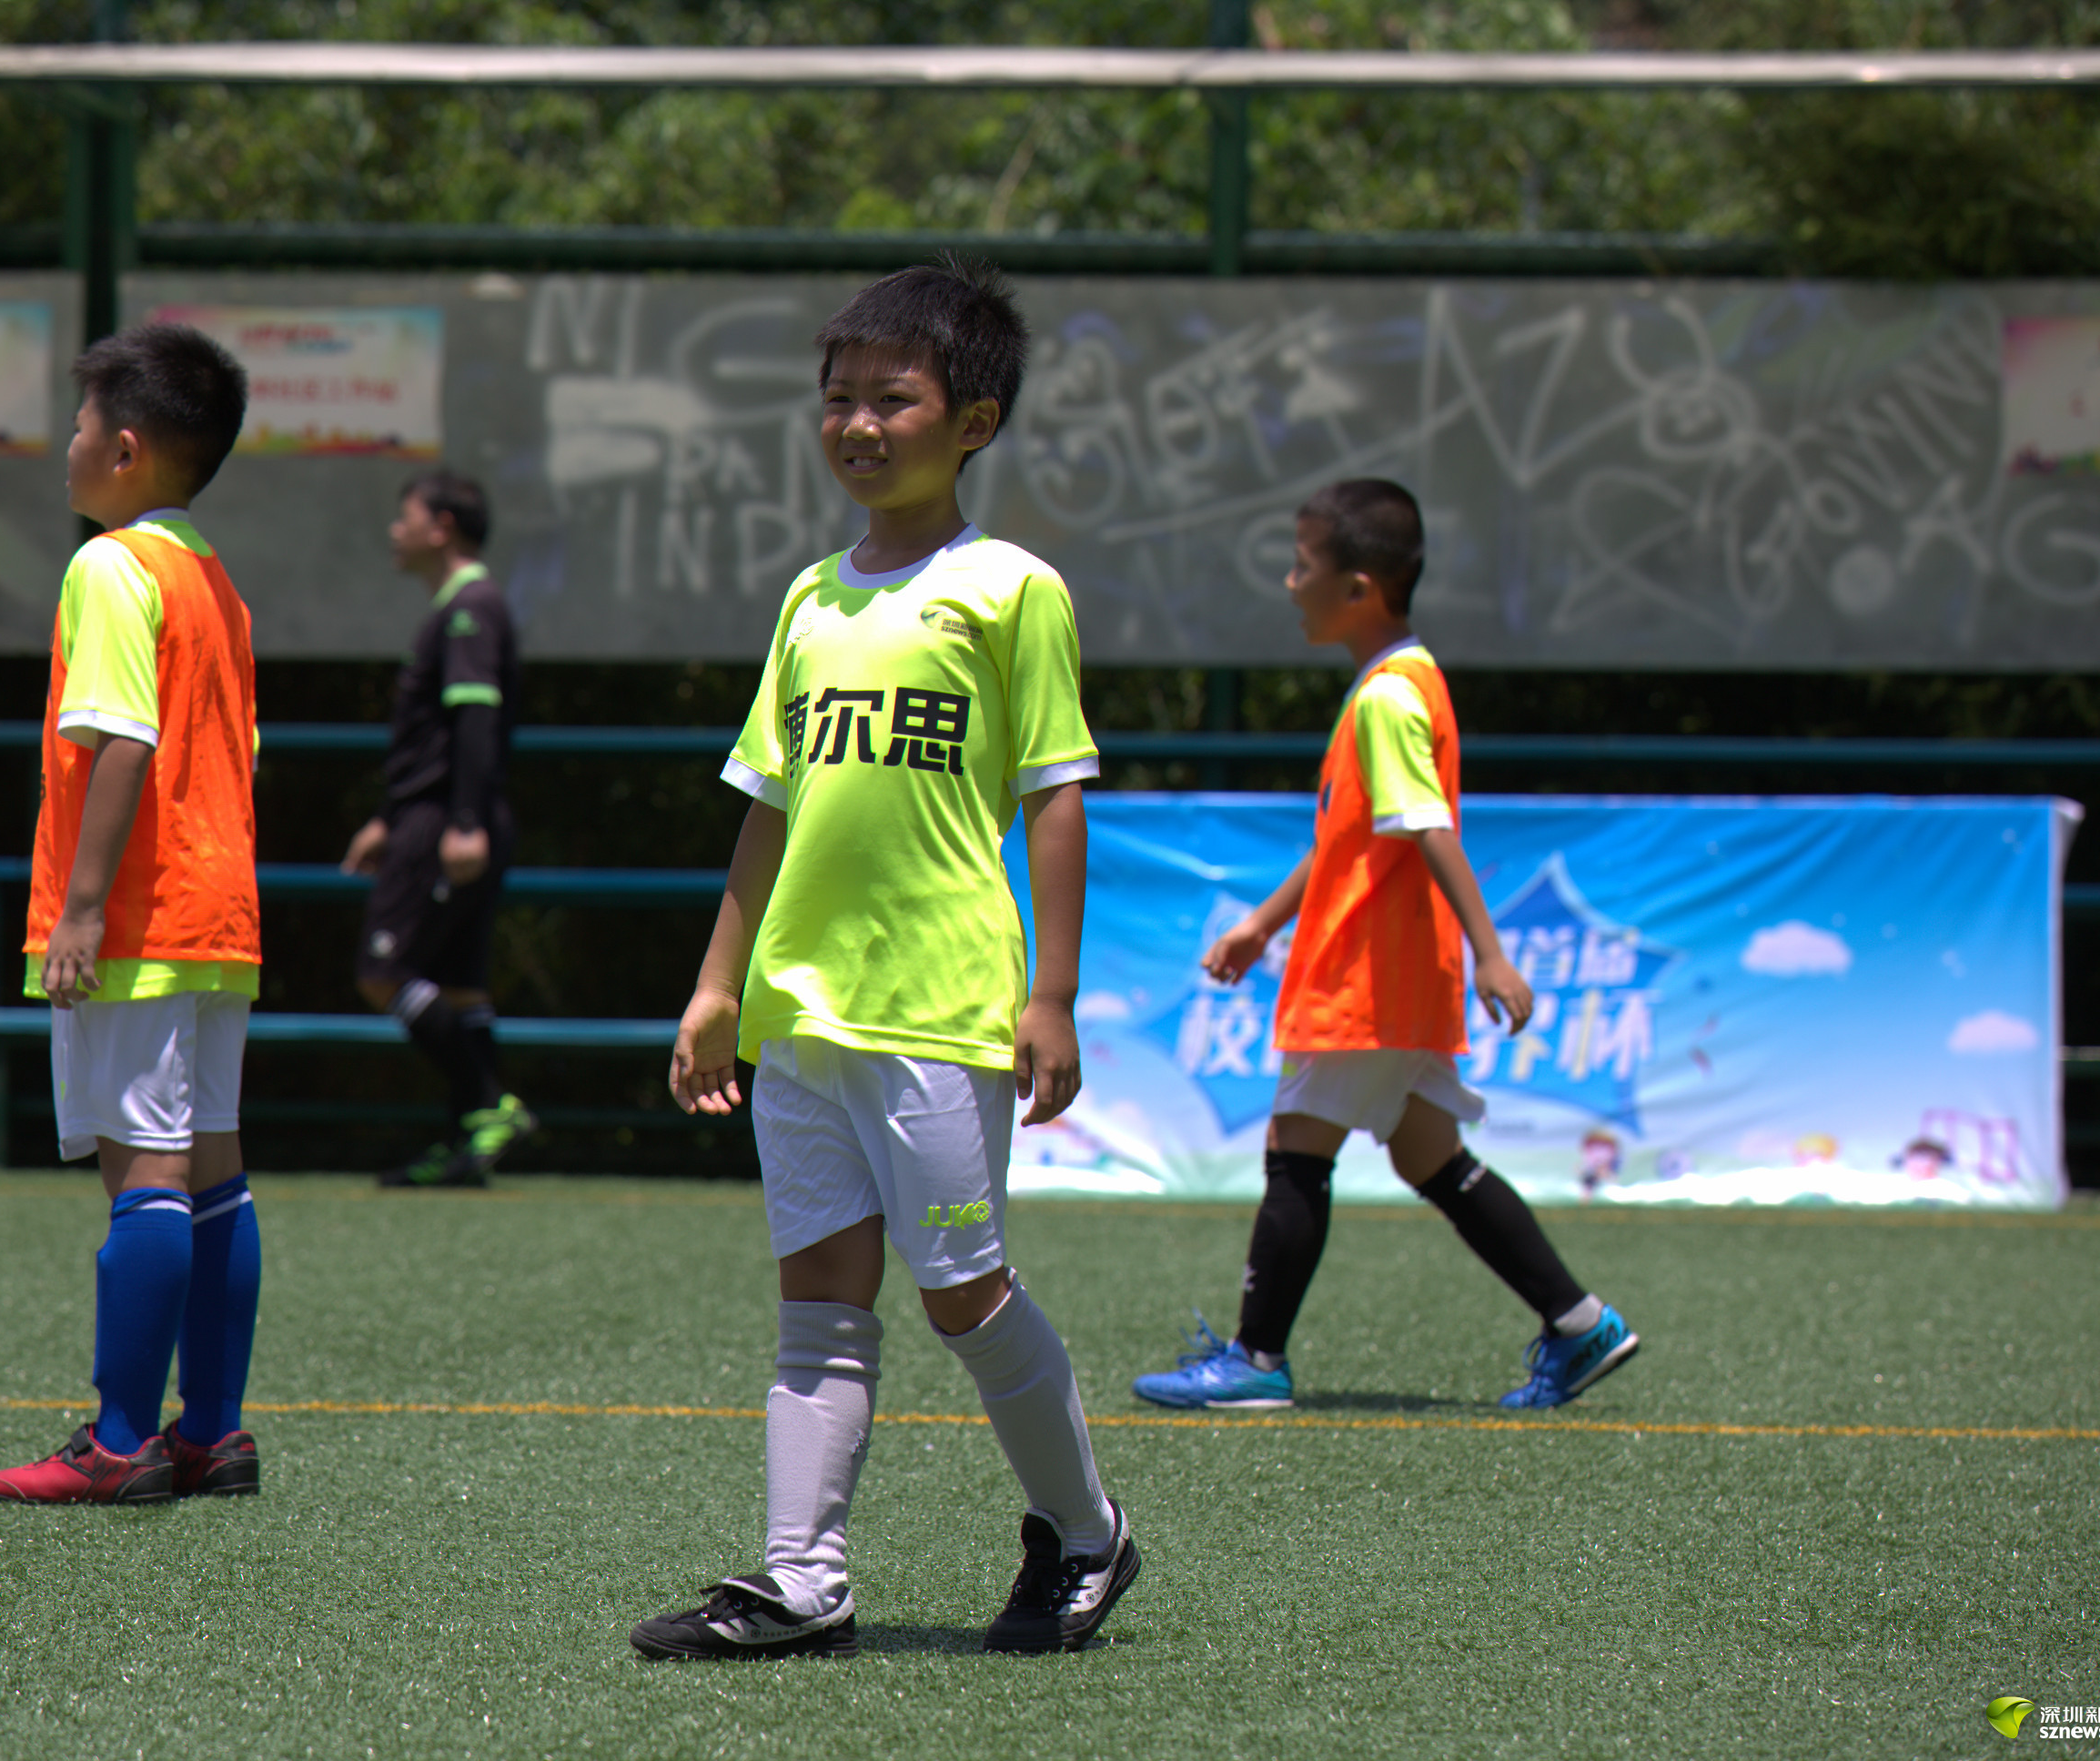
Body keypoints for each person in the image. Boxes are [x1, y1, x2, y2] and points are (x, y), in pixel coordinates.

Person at [631, 257, 1139, 1663]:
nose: (857, 424)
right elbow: (769, 807)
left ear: (973, 422)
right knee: (816, 1302)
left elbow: (1055, 794)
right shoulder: (808, 599)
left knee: (962, 1294)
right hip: (801, 1009)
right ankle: (802, 1582)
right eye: (838, 398)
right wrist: (717, 985)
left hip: (937, 1006)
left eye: (891, 399)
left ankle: (1087, 1533)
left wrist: (1050, 993)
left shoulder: (1011, 588)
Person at [1132, 479, 1640, 1415]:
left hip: (1362, 982)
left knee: (1295, 1147)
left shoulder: (1387, 697)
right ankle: (1579, 1323)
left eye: (1303, 566)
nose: (1291, 584)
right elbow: (1350, 840)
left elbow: (1429, 827)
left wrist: (1492, 952)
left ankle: (1255, 1359)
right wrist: (1262, 923)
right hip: (1399, 977)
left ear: (1359, 587)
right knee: (1428, 1155)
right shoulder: (1404, 682)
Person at [0, 323, 265, 1504]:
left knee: (145, 1167)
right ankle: (213, 1432)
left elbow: (123, 742)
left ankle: (119, 1439)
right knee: (215, 1168)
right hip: (220, 915)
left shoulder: (109, 567)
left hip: (142, 915)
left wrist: (83, 910)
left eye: (82, 425)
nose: (70, 445)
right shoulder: (213, 578)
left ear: (127, 448)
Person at [341, 470, 534, 1189]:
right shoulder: (462, 607)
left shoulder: (471, 609)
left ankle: (490, 1103)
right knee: (457, 986)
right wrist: (387, 818)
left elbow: (476, 721)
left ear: (442, 527)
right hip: (436, 816)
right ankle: (465, 1143)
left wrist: (462, 822)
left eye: (407, 516)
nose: (396, 531)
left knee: (382, 971)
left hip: (448, 822)